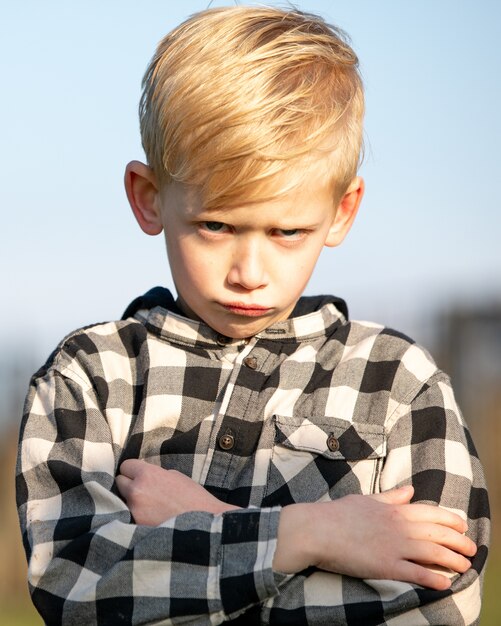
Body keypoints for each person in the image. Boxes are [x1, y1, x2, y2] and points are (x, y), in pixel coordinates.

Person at [16, 6, 489, 625]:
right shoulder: (89, 378)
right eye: (215, 226)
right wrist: (315, 535)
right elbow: (76, 586)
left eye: (288, 231)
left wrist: (213, 527)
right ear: (149, 197)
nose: (249, 270)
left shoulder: (398, 381)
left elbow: (443, 602)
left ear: (342, 211)